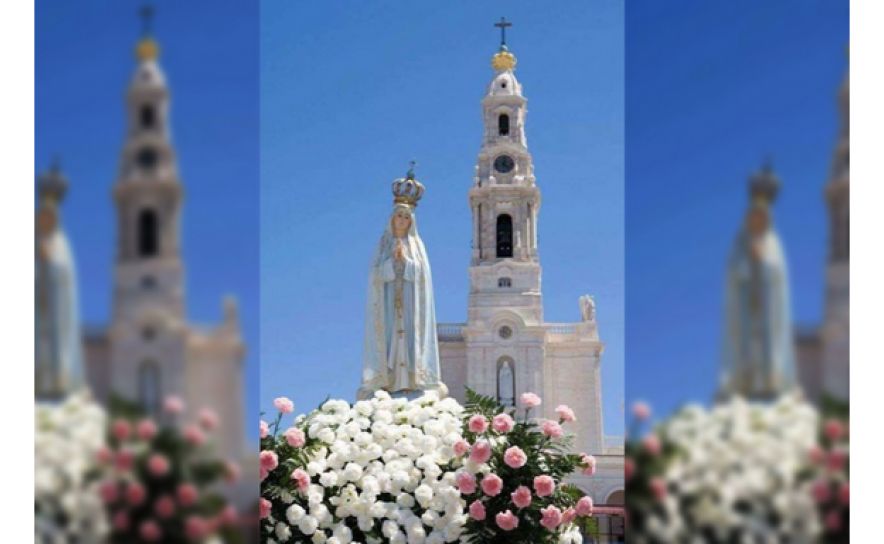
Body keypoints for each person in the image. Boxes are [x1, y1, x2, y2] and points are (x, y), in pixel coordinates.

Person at [359, 167, 447, 400]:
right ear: (392, 218)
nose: (402, 220)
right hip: (388, 301)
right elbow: (375, 274)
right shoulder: (383, 245)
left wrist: (406, 262)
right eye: (399, 215)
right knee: (389, 338)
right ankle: (387, 381)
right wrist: (391, 263)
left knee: (409, 338)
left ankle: (410, 380)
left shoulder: (416, 245)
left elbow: (422, 275)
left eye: (406, 217)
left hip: (410, 301)